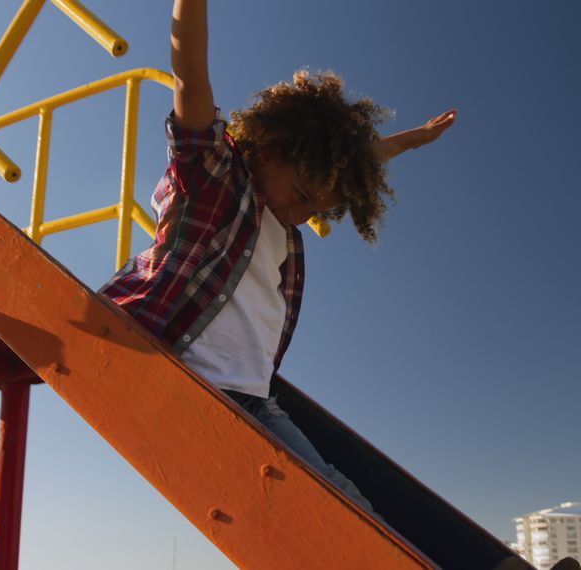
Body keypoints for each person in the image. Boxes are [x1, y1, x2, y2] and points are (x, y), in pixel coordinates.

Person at [99, 0, 455, 516]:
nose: (305, 211)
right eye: (304, 193)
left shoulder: (287, 238)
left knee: (343, 498)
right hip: (189, 376)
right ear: (269, 148)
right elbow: (190, 75)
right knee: (333, 506)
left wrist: (411, 142)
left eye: (318, 206)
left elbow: (353, 161)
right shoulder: (214, 176)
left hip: (252, 398)